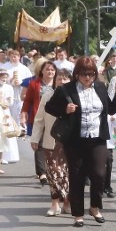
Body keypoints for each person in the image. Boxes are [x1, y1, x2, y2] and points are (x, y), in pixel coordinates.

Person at [44, 57, 116, 227]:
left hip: (97, 138)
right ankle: (78, 214)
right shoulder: (66, 89)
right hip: (75, 139)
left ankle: (95, 207)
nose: (88, 78)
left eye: (91, 74)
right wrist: (65, 110)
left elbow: (110, 109)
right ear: (76, 74)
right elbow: (49, 108)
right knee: (77, 176)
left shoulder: (100, 87)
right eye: (84, 74)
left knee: (99, 174)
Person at [32, 67, 73, 216]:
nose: (62, 81)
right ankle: (55, 202)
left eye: (65, 78)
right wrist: (35, 138)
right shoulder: (47, 96)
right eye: (59, 78)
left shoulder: (75, 96)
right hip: (51, 140)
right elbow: (39, 119)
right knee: (53, 171)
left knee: (66, 173)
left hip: (70, 141)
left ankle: (67, 200)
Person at [21, 59, 56, 184]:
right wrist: (23, 114)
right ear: (41, 71)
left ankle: (52, 168)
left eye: (52, 70)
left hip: (55, 119)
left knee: (53, 145)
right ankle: (42, 173)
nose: (50, 72)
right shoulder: (34, 84)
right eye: (47, 69)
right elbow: (28, 101)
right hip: (39, 117)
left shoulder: (58, 84)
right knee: (39, 144)